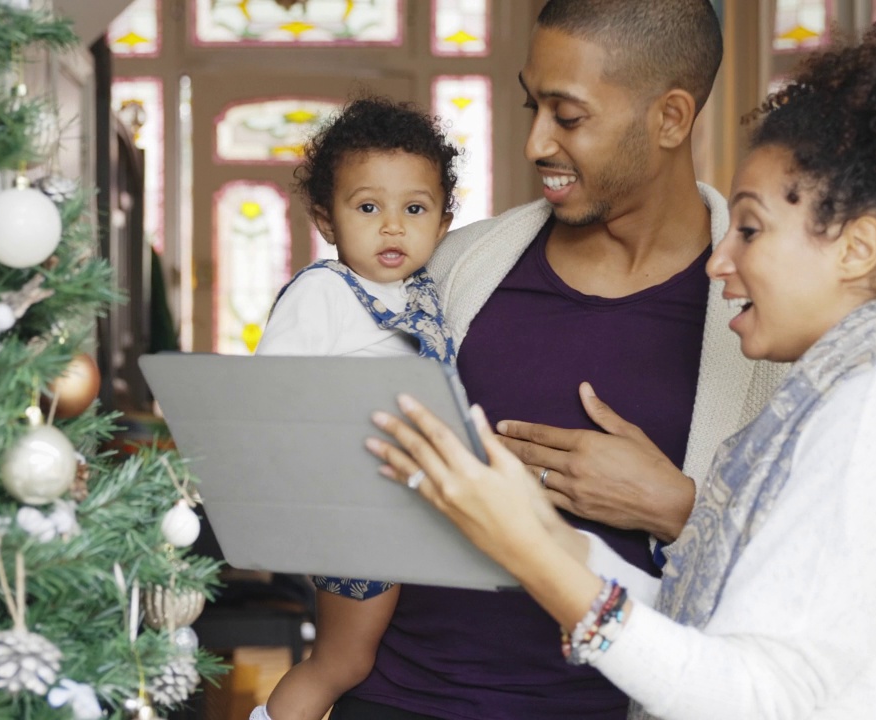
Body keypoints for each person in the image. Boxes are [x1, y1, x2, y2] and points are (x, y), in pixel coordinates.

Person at [369, 28, 876, 720]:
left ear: (857, 249)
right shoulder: (860, 393)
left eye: (750, 229)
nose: (720, 261)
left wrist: (533, 553)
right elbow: (708, 621)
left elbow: (755, 695)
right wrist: (548, 531)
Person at [334, 2, 785, 718]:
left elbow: (811, 581)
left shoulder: (767, 320)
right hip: (397, 700)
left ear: (670, 118)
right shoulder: (452, 270)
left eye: (567, 116)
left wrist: (680, 511)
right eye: (530, 105)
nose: (535, 142)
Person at [250, 96, 460, 720]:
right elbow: (272, 395)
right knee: (343, 663)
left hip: (401, 512)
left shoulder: (422, 292)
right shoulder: (325, 292)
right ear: (326, 219)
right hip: (354, 514)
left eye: (414, 209)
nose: (392, 227)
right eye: (368, 207)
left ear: (443, 224)